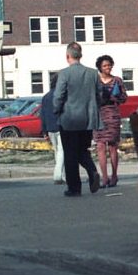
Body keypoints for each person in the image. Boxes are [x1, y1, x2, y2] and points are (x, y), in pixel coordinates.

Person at [53, 41, 103, 197]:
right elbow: (99, 94)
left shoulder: (64, 74)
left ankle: (74, 187)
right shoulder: (93, 73)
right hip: (88, 119)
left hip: (69, 119)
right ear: (80, 55)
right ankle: (92, 170)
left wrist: (56, 110)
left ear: (67, 56)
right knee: (82, 149)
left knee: (70, 154)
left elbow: (59, 96)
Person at [93, 54, 127, 188]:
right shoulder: (95, 81)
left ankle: (114, 175)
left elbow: (124, 98)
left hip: (112, 114)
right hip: (99, 115)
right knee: (100, 146)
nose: (108, 68)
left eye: (109, 65)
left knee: (113, 146)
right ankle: (104, 177)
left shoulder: (117, 80)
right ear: (100, 68)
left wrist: (114, 97)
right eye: (105, 66)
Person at [39, 72, 65, 185]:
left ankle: (62, 175)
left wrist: (44, 130)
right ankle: (58, 174)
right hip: (61, 125)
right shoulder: (63, 95)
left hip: (50, 127)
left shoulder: (46, 96)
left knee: (57, 151)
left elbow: (42, 114)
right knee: (62, 151)